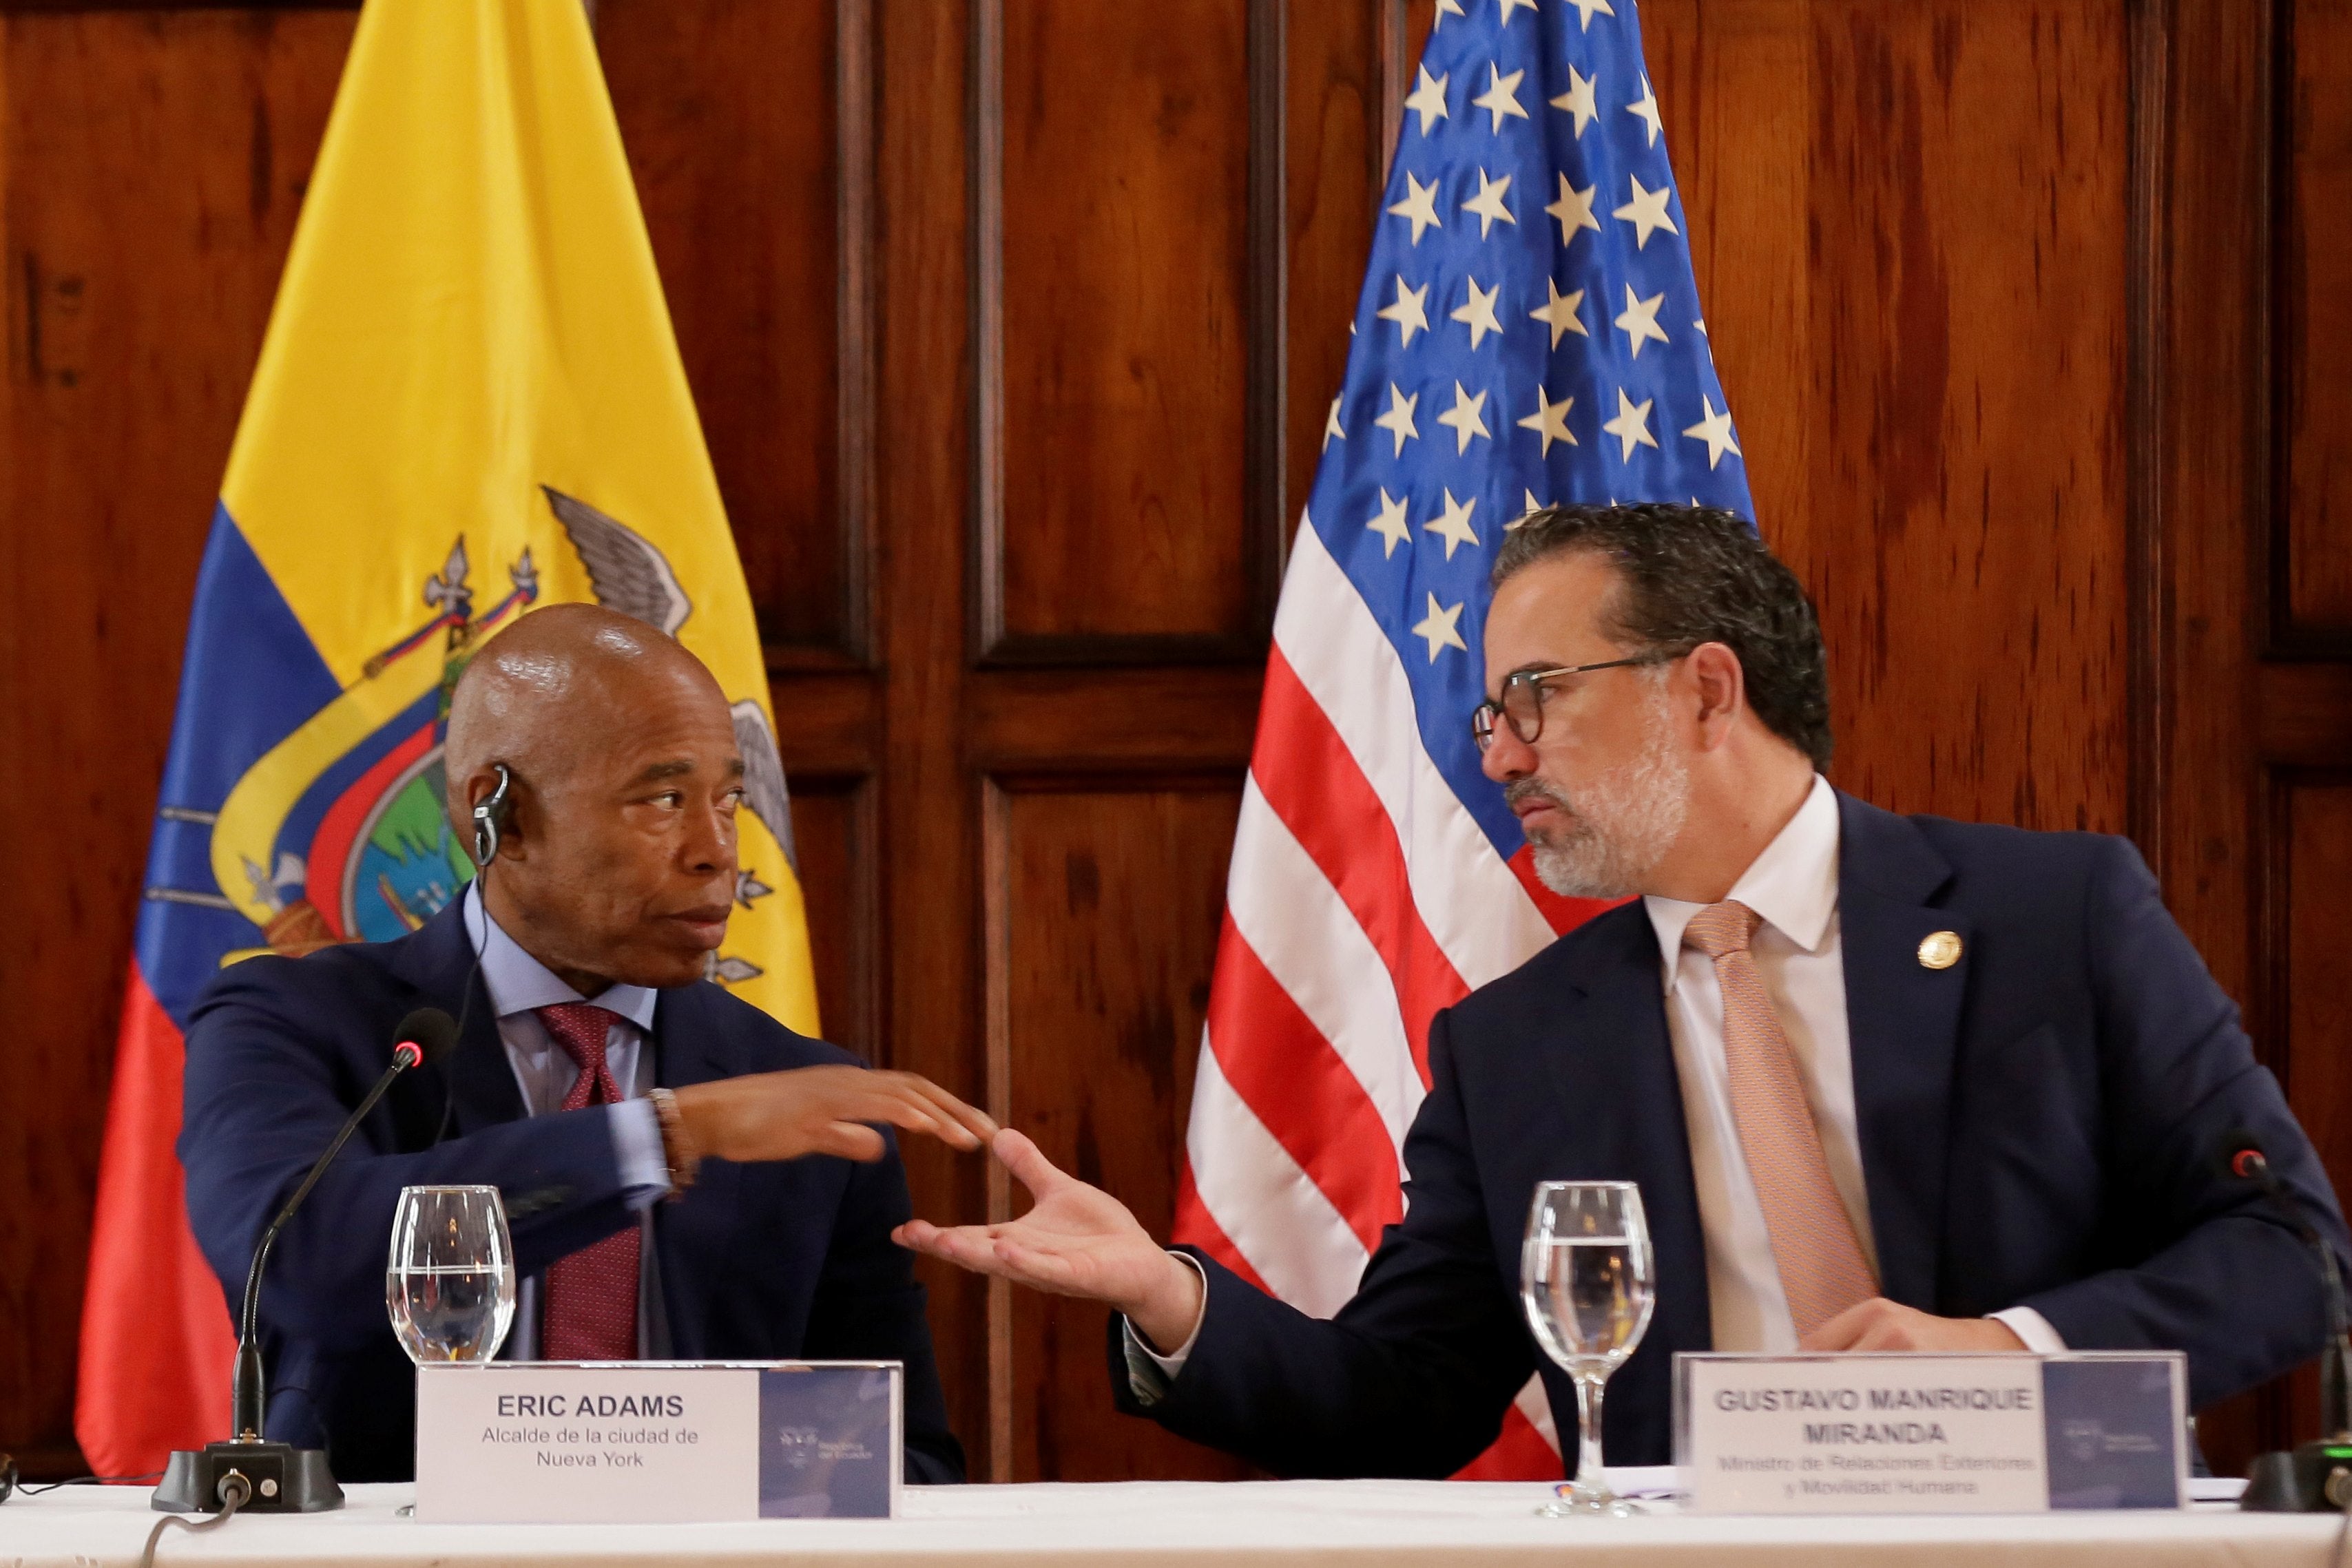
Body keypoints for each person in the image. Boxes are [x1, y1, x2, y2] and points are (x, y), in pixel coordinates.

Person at [895, 502, 2352, 1478]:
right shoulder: (1518, 1041)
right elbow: (1405, 1393)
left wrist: (2005, 1351)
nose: (1502, 754)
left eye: (1537, 696)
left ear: (1706, 690)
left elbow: (2289, 1250)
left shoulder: (2053, 918)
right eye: (1490, 712)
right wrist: (1166, 1288)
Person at [180, 604, 994, 1483]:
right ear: (504, 815)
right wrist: (662, 1139)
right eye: (663, 801)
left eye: (728, 801)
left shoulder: (807, 1096)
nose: (716, 853)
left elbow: (906, 1461)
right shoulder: (295, 1018)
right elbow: (291, 1256)